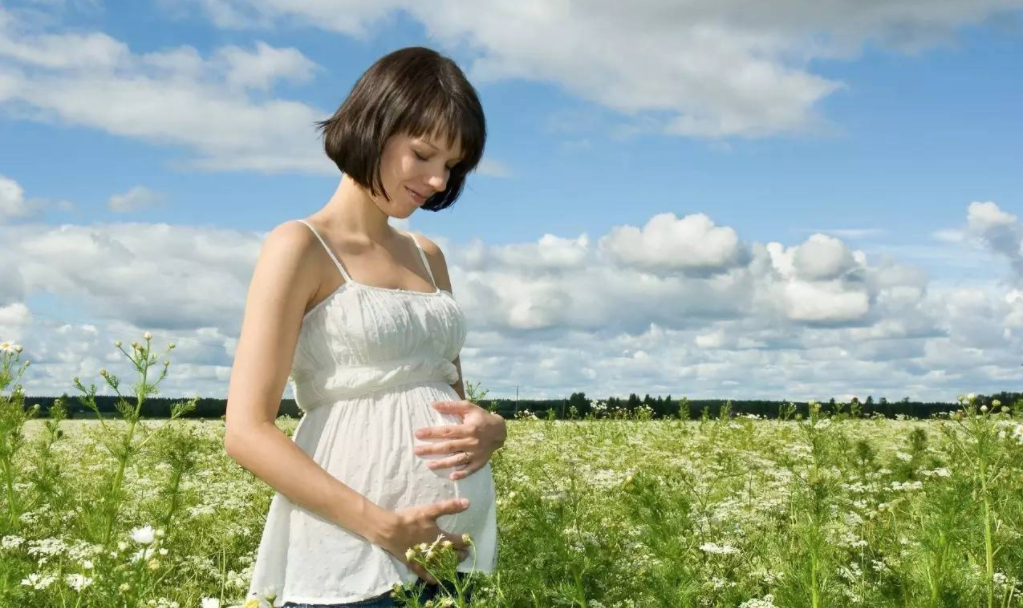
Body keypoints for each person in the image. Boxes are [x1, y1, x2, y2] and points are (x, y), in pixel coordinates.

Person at [224, 46, 506, 608]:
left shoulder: (429, 255)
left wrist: (492, 430)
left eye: (451, 166)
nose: (435, 179)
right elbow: (245, 432)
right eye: (423, 154)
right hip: (352, 558)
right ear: (373, 126)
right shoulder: (300, 246)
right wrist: (383, 527)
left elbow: (451, 400)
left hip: (456, 556)